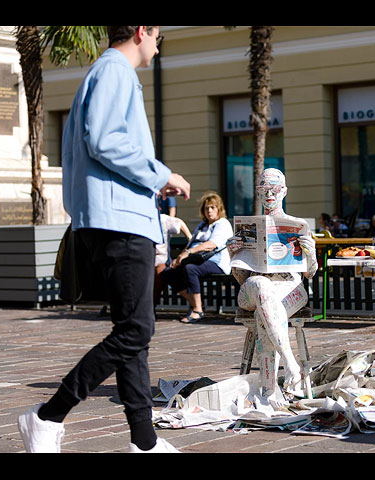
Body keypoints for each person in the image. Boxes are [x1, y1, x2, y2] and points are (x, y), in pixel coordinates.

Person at [16, 26, 190, 454]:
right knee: (135, 330)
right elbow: (106, 140)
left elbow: (90, 149)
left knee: (133, 332)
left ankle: (144, 443)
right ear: (141, 30)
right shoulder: (114, 71)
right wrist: (161, 174)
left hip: (111, 220)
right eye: (158, 34)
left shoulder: (101, 74)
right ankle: (48, 416)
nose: (157, 43)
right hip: (121, 224)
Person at [229, 168, 318, 401]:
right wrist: (234, 255)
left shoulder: (297, 225)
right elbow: (240, 278)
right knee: (260, 285)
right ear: (258, 192)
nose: (269, 194)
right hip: (254, 289)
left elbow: (310, 273)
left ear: (284, 191)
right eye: (264, 189)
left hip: (290, 289)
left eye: (275, 188)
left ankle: (269, 393)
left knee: (264, 314)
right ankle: (290, 364)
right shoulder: (250, 226)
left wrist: (312, 254)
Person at [164, 191, 233, 323]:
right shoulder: (202, 226)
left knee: (191, 269)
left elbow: (211, 245)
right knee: (169, 273)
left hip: (217, 262)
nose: (209, 211)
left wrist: (188, 253)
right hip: (198, 260)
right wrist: (179, 258)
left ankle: (197, 310)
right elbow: (190, 244)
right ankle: (196, 304)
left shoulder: (222, 224)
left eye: (213, 207)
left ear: (219, 209)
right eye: (207, 208)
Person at [154, 213, 191, 306]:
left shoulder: (163, 219)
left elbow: (180, 223)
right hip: (143, 259)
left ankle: (150, 309)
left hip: (160, 259)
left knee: (159, 276)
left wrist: (189, 237)